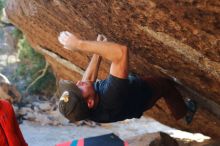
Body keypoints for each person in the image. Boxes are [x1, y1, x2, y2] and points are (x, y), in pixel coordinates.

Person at [57, 32, 196, 124]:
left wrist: (97, 51)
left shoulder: (85, 109)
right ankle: (184, 114)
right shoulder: (111, 96)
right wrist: (79, 44)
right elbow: (121, 52)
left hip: (128, 99)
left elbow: (88, 81)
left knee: (123, 79)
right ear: (90, 103)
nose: (78, 82)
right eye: (78, 89)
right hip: (143, 94)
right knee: (166, 85)